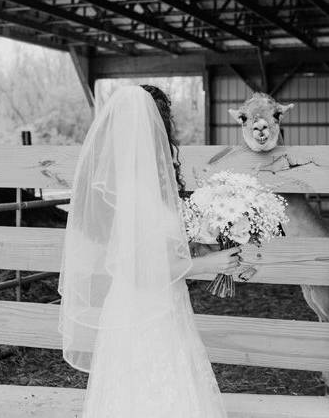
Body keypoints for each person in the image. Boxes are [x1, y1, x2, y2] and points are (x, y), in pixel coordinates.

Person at [58, 85, 241, 417]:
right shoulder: (138, 195)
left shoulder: (139, 187)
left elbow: (158, 249)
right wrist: (209, 264)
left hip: (150, 308)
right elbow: (143, 271)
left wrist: (211, 240)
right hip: (149, 316)